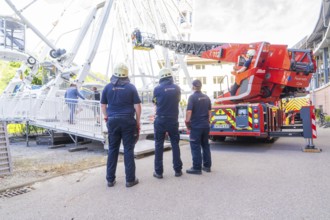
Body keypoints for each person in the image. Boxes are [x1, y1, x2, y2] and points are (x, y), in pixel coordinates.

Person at [101, 62, 141, 188]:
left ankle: (110, 180)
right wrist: (138, 122)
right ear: (126, 74)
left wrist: (107, 117)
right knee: (128, 149)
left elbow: (103, 105)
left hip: (113, 121)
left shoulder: (107, 87)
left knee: (113, 149)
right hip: (128, 121)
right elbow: (137, 106)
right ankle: (130, 180)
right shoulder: (131, 87)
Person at [152, 68, 183, 179]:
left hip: (160, 119)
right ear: (171, 77)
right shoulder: (177, 88)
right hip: (173, 120)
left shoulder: (157, 89)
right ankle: (178, 170)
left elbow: (155, 102)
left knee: (159, 145)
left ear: (161, 78)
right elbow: (178, 100)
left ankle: (159, 172)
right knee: (175, 144)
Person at [185, 79, 212, 175]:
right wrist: (207, 121)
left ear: (193, 87)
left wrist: (187, 122)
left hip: (196, 126)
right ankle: (207, 166)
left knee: (195, 146)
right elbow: (210, 112)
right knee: (205, 145)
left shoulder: (192, 97)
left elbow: (189, 111)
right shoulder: (206, 97)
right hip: (205, 125)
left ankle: (197, 168)